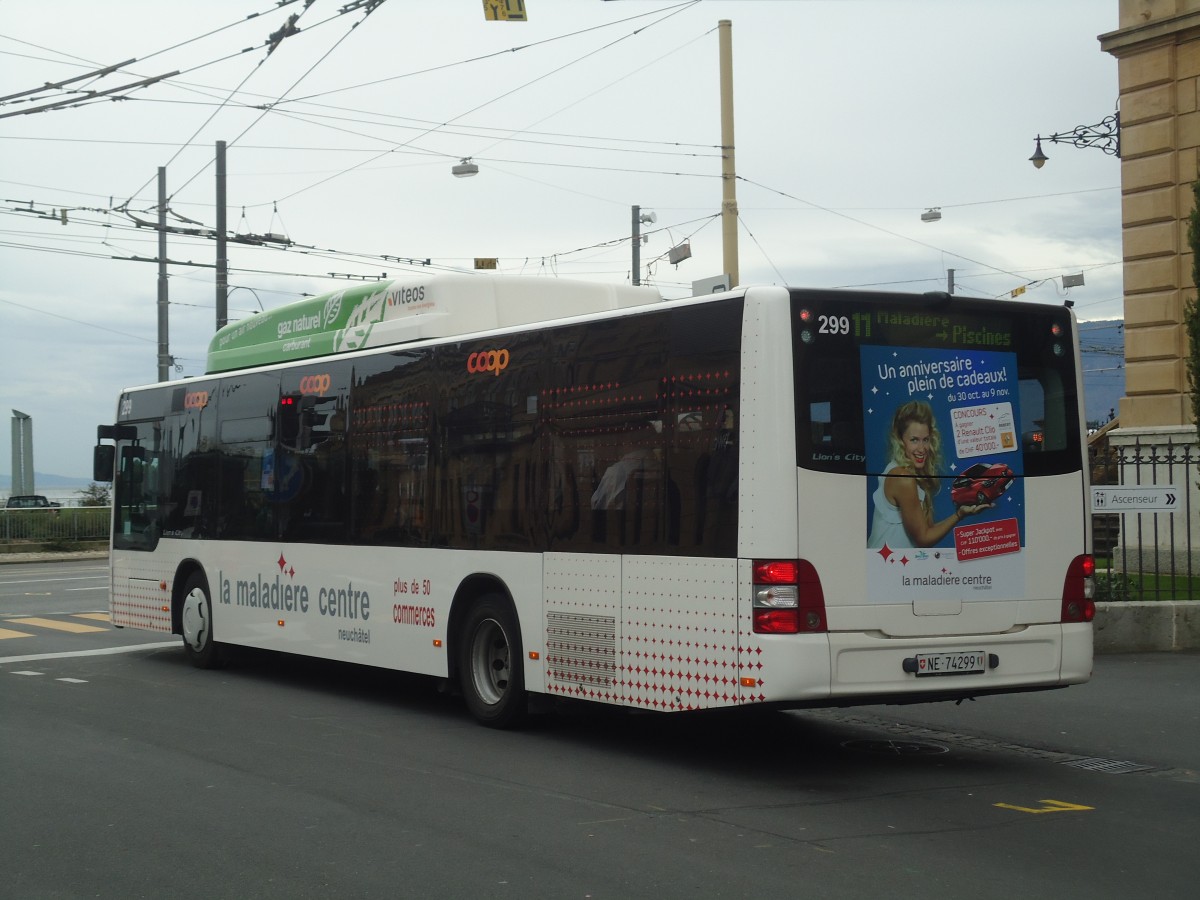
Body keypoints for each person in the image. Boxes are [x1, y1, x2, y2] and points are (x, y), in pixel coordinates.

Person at [867, 401, 987, 548]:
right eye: (914, 440)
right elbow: (923, 539)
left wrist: (960, 514)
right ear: (900, 441)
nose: (922, 448)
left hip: (896, 566)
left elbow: (926, 531)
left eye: (926, 440)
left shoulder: (909, 474)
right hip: (885, 567)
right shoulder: (902, 478)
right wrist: (959, 516)